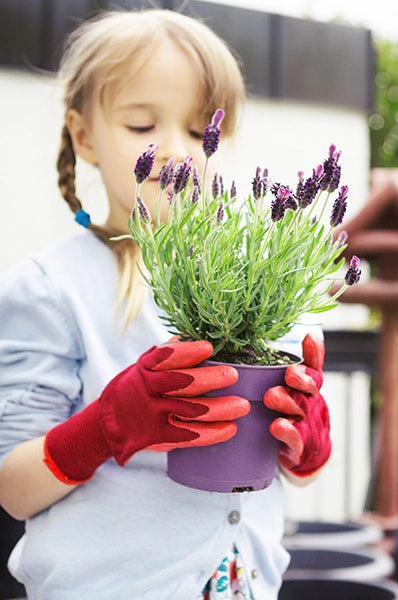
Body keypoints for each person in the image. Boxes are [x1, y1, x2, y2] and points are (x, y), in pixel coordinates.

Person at [0, 9, 331, 599]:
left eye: (204, 126)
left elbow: (288, 468)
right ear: (84, 137)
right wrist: (108, 423)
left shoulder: (250, 282)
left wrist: (305, 441)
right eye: (140, 125)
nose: (176, 149)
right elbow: (14, 488)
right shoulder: (52, 289)